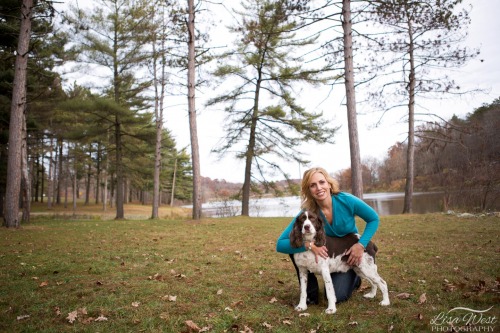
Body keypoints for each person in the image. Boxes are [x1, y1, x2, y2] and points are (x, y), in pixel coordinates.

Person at [276, 167, 380, 304]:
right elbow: (280, 244)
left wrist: (361, 245)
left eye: (322, 182)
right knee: (294, 244)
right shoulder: (309, 213)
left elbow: (373, 219)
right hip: (330, 255)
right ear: (309, 191)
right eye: (313, 185)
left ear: (329, 184)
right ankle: (310, 295)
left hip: (350, 253)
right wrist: (309, 245)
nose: (319, 188)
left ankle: (355, 277)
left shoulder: (347, 200)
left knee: (340, 295)